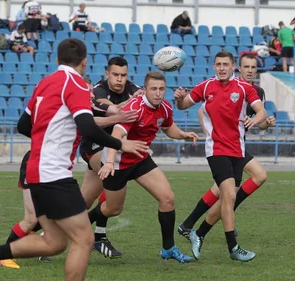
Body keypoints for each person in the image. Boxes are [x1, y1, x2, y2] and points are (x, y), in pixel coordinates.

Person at [0, 38, 149, 281]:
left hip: (37, 169)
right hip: (53, 172)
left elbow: (23, 126)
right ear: (84, 62)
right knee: (84, 238)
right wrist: (121, 145)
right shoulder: (76, 83)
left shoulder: (45, 83)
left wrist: (49, 138)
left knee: (53, 242)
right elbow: (86, 124)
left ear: (57, 58)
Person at [0, 78, 140, 270]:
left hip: (53, 169)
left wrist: (131, 103)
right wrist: (118, 136)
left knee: (52, 217)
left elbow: (101, 115)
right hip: (38, 164)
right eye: (88, 90)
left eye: (91, 90)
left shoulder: (85, 105)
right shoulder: (72, 106)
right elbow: (90, 124)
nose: (91, 94)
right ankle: (2, 255)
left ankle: (32, 241)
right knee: (31, 219)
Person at [88, 72, 199, 263]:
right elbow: (116, 136)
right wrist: (108, 163)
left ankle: (168, 248)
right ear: (145, 90)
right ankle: (82, 225)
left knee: (167, 199)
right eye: (153, 89)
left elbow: (168, 127)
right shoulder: (135, 108)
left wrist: (183, 135)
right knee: (112, 209)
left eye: (161, 89)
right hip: (117, 162)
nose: (157, 93)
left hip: (140, 159)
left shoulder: (164, 107)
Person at [174, 51, 267, 262]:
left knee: (227, 196)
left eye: (226, 64)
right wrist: (179, 100)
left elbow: (261, 111)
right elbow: (185, 105)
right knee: (230, 196)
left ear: (233, 66)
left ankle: (197, 231)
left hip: (237, 150)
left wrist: (257, 119)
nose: (222, 68)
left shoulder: (245, 88)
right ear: (214, 66)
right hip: (216, 149)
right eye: (218, 64)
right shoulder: (206, 86)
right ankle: (233, 248)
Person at [89, 56, 144, 258]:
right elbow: (115, 110)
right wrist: (136, 98)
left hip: (114, 147)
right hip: (93, 145)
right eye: (115, 75)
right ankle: (99, 237)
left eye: (123, 75)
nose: (120, 79)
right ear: (107, 74)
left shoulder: (131, 87)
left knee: (83, 201)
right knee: (114, 177)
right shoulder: (98, 91)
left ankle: (46, 233)